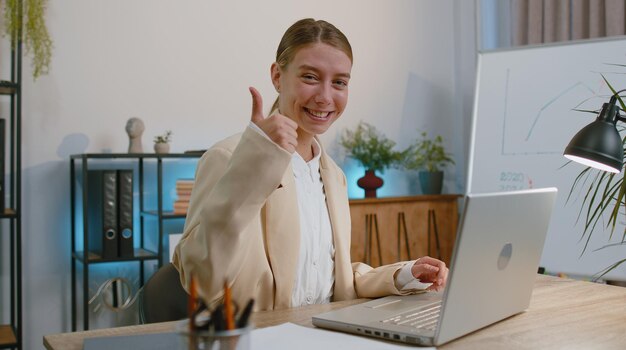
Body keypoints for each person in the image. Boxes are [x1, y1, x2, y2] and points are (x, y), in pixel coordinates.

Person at [173, 18, 448, 311]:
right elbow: (201, 281)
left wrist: (405, 274)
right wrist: (252, 165)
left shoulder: (336, 177)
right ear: (277, 76)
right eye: (310, 77)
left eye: (339, 82)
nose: (325, 97)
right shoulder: (227, 158)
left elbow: (332, 279)